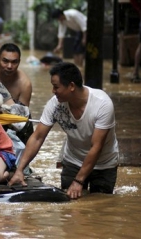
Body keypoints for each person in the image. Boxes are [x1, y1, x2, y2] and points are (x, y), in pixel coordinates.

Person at [8, 62, 119, 200]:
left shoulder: (102, 104)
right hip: (73, 161)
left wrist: (79, 181)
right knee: (69, 207)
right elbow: (38, 137)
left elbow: (96, 146)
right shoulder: (55, 104)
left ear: (71, 86)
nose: (53, 91)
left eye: (56, 87)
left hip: (103, 164)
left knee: (101, 206)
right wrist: (19, 170)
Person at [0, 43, 34, 144]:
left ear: (19, 62)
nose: (9, 66)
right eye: (5, 61)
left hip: (10, 123)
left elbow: (20, 118)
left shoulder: (24, 84)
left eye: (14, 62)